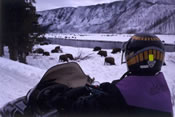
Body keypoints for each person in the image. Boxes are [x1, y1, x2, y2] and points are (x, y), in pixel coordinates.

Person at [0, 33, 173, 117]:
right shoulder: (157, 86)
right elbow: (117, 94)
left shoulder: (119, 96)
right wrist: (100, 88)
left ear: (132, 57)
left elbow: (79, 108)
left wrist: (57, 97)